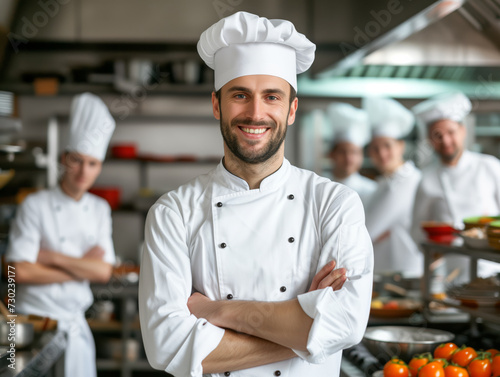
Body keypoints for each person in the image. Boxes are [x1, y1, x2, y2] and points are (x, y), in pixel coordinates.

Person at [139, 11, 374, 377]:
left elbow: (346, 325)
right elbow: (167, 346)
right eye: (240, 95)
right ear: (216, 104)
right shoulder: (174, 212)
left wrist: (217, 312)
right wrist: (307, 331)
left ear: (292, 109)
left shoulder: (334, 204)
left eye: (272, 97)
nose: (255, 113)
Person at [5, 93, 116, 377]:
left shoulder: (100, 209)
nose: (83, 171)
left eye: (92, 164)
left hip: (74, 325)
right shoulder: (35, 204)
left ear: (99, 167)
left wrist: (49, 257)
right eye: (77, 160)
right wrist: (81, 267)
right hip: (34, 326)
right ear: (65, 158)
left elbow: (104, 272)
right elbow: (17, 270)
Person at [411, 92, 500, 281]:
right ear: (429, 139)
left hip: (492, 267)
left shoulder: (489, 166)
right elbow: (416, 229)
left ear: (463, 131)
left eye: (451, 132)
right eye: (438, 135)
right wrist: (433, 250)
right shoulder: (426, 178)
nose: (446, 141)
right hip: (450, 273)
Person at [362, 96, 423, 276]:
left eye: (387, 145)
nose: (381, 153)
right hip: (385, 270)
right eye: (375, 148)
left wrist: (371, 235)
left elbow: (366, 231)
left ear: (401, 147)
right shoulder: (383, 183)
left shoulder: (406, 181)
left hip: (404, 271)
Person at [326, 102, 377, 207]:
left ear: (361, 156)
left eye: (354, 152)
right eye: (342, 152)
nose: (348, 158)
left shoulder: (372, 191)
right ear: (331, 154)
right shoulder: (320, 186)